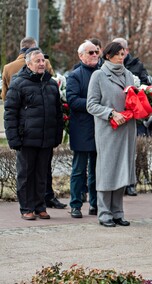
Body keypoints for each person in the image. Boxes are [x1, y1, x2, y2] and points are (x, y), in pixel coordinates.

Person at [1, 36, 66, 210]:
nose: (41, 63)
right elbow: (10, 113)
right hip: (26, 139)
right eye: (37, 61)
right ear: (28, 64)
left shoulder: (51, 84)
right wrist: (13, 138)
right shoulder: (18, 83)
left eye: (43, 60)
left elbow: (57, 113)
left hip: (45, 140)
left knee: (41, 175)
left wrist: (57, 135)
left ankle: (40, 207)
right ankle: (27, 208)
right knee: (26, 176)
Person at [87, 42, 136, 227]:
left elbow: (132, 98)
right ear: (108, 56)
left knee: (123, 169)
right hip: (109, 129)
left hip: (127, 128)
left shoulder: (129, 74)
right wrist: (110, 113)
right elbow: (91, 104)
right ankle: (104, 212)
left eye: (123, 53)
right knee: (107, 170)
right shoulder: (99, 75)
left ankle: (118, 212)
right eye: (118, 54)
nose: (122, 57)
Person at [112, 37, 152, 196]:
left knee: (131, 152)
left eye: (121, 51)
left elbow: (147, 87)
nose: (119, 54)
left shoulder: (137, 66)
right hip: (115, 115)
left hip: (133, 116)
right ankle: (116, 184)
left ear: (126, 51)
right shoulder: (107, 66)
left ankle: (130, 183)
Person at [66, 41, 100, 218]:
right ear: (81, 56)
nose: (95, 55)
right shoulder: (75, 75)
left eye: (96, 52)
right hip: (81, 128)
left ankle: (95, 205)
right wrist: (95, 105)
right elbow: (72, 100)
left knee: (97, 170)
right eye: (91, 52)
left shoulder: (102, 73)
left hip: (100, 128)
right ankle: (75, 205)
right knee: (79, 170)